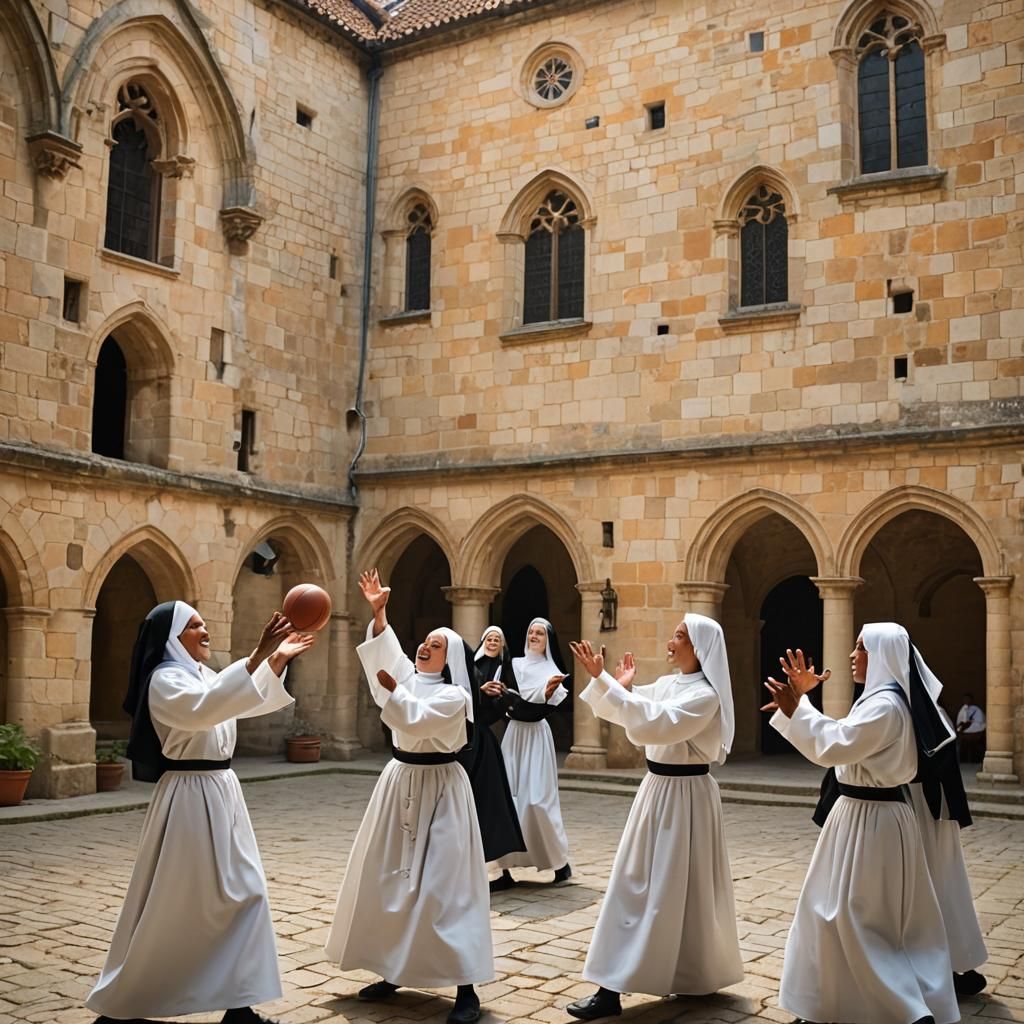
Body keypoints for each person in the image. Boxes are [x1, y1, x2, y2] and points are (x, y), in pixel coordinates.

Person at [87, 601, 315, 1024]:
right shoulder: (165, 680)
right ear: (173, 637)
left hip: (221, 792)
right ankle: (124, 1006)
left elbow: (239, 702)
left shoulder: (201, 676)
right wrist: (259, 654)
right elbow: (206, 708)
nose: (204, 630)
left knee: (245, 894)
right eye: (194, 625)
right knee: (176, 906)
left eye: (203, 623)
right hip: (189, 798)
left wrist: (276, 659)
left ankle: (239, 1007)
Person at [764, 625, 960, 1024]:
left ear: (882, 654)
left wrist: (799, 706)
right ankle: (826, 1003)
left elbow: (836, 744)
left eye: (861, 647)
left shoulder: (885, 706)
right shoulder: (878, 702)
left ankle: (904, 1010)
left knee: (854, 920)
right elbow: (843, 741)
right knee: (833, 915)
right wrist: (801, 705)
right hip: (861, 817)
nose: (852, 654)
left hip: (871, 821)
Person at [324, 570, 492, 1024]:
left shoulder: (456, 695)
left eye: (437, 644)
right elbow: (387, 658)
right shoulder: (406, 675)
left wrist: (397, 691)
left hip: (442, 790)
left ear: (451, 657)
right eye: (425, 640)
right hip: (399, 783)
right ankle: (391, 968)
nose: (425, 646)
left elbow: (417, 720)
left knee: (446, 888)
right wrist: (379, 611)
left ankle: (465, 986)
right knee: (388, 880)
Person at [564, 617, 744, 1021]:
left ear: (699, 647)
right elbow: (640, 712)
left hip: (686, 798)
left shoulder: (705, 696)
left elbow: (658, 723)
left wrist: (611, 686)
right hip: (658, 792)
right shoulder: (669, 684)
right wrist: (620, 685)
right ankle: (612, 985)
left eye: (679, 636)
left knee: (680, 888)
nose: (670, 641)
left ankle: (691, 974)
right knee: (641, 884)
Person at [495, 617, 572, 887]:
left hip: (536, 737)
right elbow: (502, 697)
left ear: (548, 639)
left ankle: (559, 864)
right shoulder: (513, 665)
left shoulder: (553, 672)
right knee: (509, 800)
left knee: (537, 802)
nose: (534, 636)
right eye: (531, 632)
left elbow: (540, 708)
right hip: (514, 734)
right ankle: (504, 871)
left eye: (540, 633)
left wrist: (544, 694)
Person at [464, 626, 528, 881]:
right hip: (467, 738)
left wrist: (500, 695)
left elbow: (513, 704)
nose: (492, 642)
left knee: (491, 801)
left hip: (486, 739)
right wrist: (480, 691)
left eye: (497, 640)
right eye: (489, 639)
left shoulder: (508, 670)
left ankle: (499, 868)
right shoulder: (471, 667)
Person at [955, 693, 986, 763]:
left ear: (971, 700)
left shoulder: (976, 710)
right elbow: (959, 722)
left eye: (967, 699)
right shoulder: (963, 709)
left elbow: (980, 723)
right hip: (964, 733)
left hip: (975, 733)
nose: (966, 701)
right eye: (964, 699)